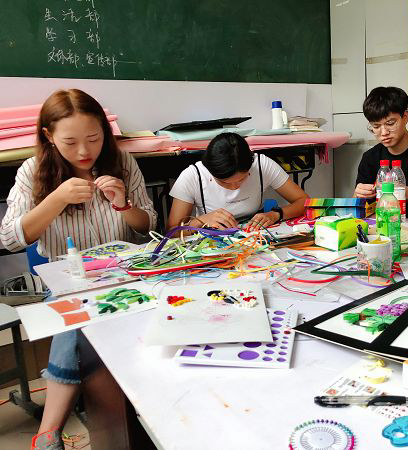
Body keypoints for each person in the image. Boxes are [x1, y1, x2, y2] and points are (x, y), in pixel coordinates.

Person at [0, 89, 157, 450]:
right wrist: (56, 199)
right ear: (48, 136)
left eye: (94, 138)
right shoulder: (33, 171)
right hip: (67, 279)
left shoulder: (122, 163)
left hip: (124, 273)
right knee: (77, 321)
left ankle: (142, 410)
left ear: (104, 131)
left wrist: (123, 205)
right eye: (70, 142)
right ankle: (48, 434)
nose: (85, 151)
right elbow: (10, 238)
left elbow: (147, 225)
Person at [167, 132, 308, 231]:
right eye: (224, 183)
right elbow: (172, 231)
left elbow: (305, 202)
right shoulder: (193, 176)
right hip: (213, 242)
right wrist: (201, 221)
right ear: (210, 171)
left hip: (255, 237)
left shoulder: (261, 165)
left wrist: (276, 214)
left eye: (242, 179)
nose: (235, 187)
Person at [354, 86, 408, 215]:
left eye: (390, 123)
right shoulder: (370, 157)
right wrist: (359, 195)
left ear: (405, 117)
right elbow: (357, 208)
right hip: (384, 224)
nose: (384, 132)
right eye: (376, 126)